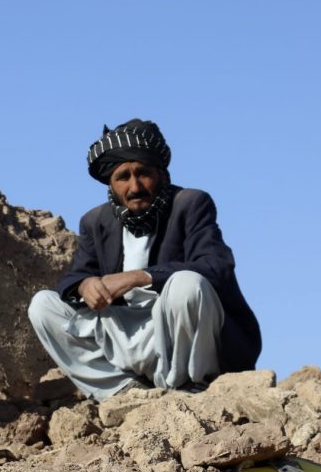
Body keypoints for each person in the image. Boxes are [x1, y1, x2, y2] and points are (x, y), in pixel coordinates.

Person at [27, 119, 261, 401]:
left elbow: (216, 266)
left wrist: (139, 276)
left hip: (181, 331)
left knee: (187, 284)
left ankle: (189, 387)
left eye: (143, 173)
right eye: (123, 177)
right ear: (111, 185)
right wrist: (86, 285)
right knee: (43, 305)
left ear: (161, 174)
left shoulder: (191, 204)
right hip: (131, 335)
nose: (135, 186)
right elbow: (74, 278)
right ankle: (123, 392)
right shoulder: (95, 221)